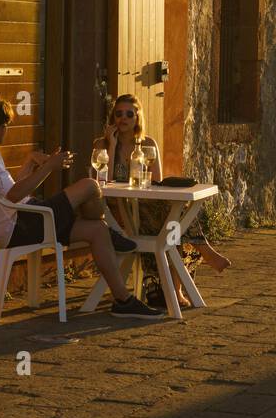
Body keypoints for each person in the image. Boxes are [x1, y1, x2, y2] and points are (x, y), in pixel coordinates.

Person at [0, 95, 163, 320]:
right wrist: (49, 167)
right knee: (89, 186)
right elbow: (15, 195)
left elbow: (11, 193)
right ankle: (115, 230)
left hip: (22, 220)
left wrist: (30, 162)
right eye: (5, 126)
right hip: (22, 225)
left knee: (97, 230)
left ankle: (123, 300)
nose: (5, 131)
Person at [95, 94, 230, 310]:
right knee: (174, 222)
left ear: (137, 117)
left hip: (146, 207)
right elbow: (104, 182)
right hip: (118, 213)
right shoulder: (101, 145)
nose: (123, 118)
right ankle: (202, 253)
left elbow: (156, 183)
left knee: (174, 224)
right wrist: (111, 146)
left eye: (129, 114)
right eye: (118, 114)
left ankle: (175, 289)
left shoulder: (147, 145)